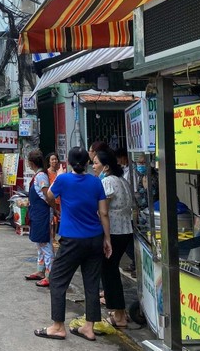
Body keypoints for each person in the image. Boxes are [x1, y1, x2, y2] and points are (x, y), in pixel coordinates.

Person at [34, 146, 111, 342]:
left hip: (72, 240)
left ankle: (58, 326)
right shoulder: (96, 182)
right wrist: (107, 239)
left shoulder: (63, 179)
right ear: (87, 163)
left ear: (68, 163)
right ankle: (89, 327)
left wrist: (59, 175)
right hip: (95, 238)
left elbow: (49, 197)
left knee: (58, 280)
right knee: (92, 284)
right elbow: (103, 213)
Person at [92, 149, 133, 328]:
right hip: (125, 231)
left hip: (114, 232)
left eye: (96, 163)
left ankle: (119, 316)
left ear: (106, 166)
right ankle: (120, 311)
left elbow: (104, 211)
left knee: (109, 272)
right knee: (112, 270)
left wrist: (105, 237)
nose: (93, 166)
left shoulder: (107, 182)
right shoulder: (122, 181)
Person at [24, 149, 55, 288]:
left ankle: (50, 275)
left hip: (42, 214)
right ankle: (41, 271)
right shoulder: (38, 175)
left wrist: (55, 210)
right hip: (37, 213)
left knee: (45, 245)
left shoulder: (41, 176)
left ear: (31, 163)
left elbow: (47, 196)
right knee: (39, 244)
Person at [46, 152, 61, 243]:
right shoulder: (47, 173)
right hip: (51, 200)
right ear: (49, 161)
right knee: (53, 219)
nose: (54, 161)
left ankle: (54, 238)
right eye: (52, 159)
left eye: (55, 159)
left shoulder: (59, 172)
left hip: (59, 200)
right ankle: (52, 238)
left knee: (57, 219)